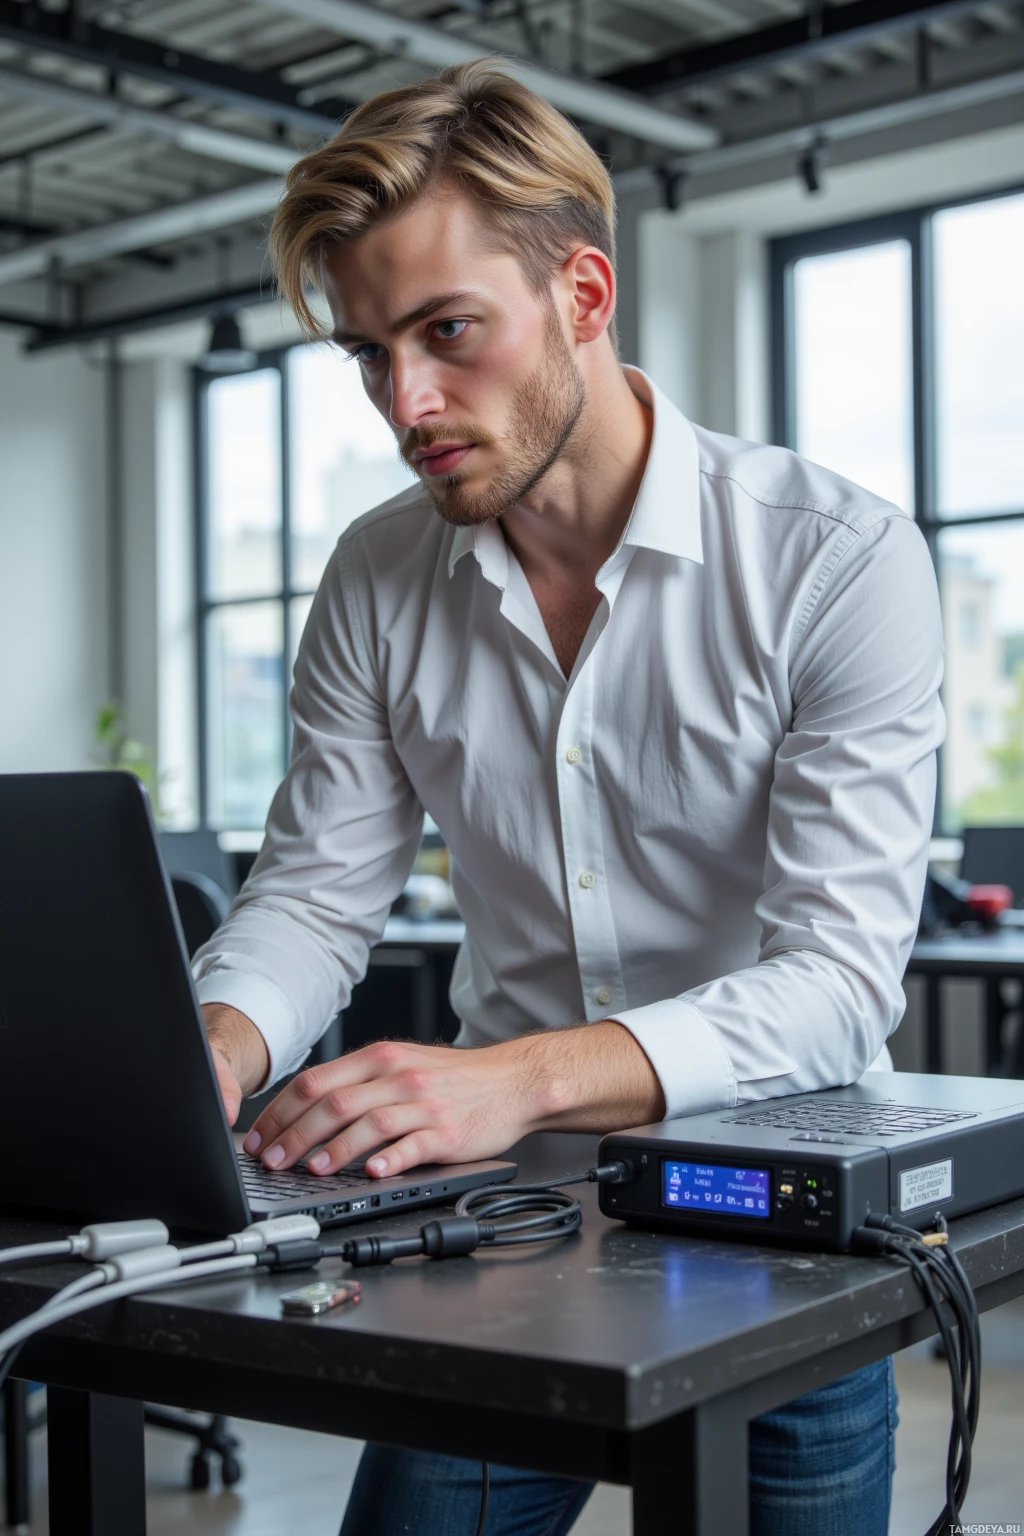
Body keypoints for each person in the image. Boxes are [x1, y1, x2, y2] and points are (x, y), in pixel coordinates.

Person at [194, 62, 942, 1536]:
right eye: (367, 355)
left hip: (781, 1205)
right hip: (501, 1224)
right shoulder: (374, 577)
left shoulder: (836, 562)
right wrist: (209, 1050)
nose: (406, 402)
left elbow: (838, 984)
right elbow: (312, 896)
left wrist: (519, 1077)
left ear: (584, 296)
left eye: (447, 332)